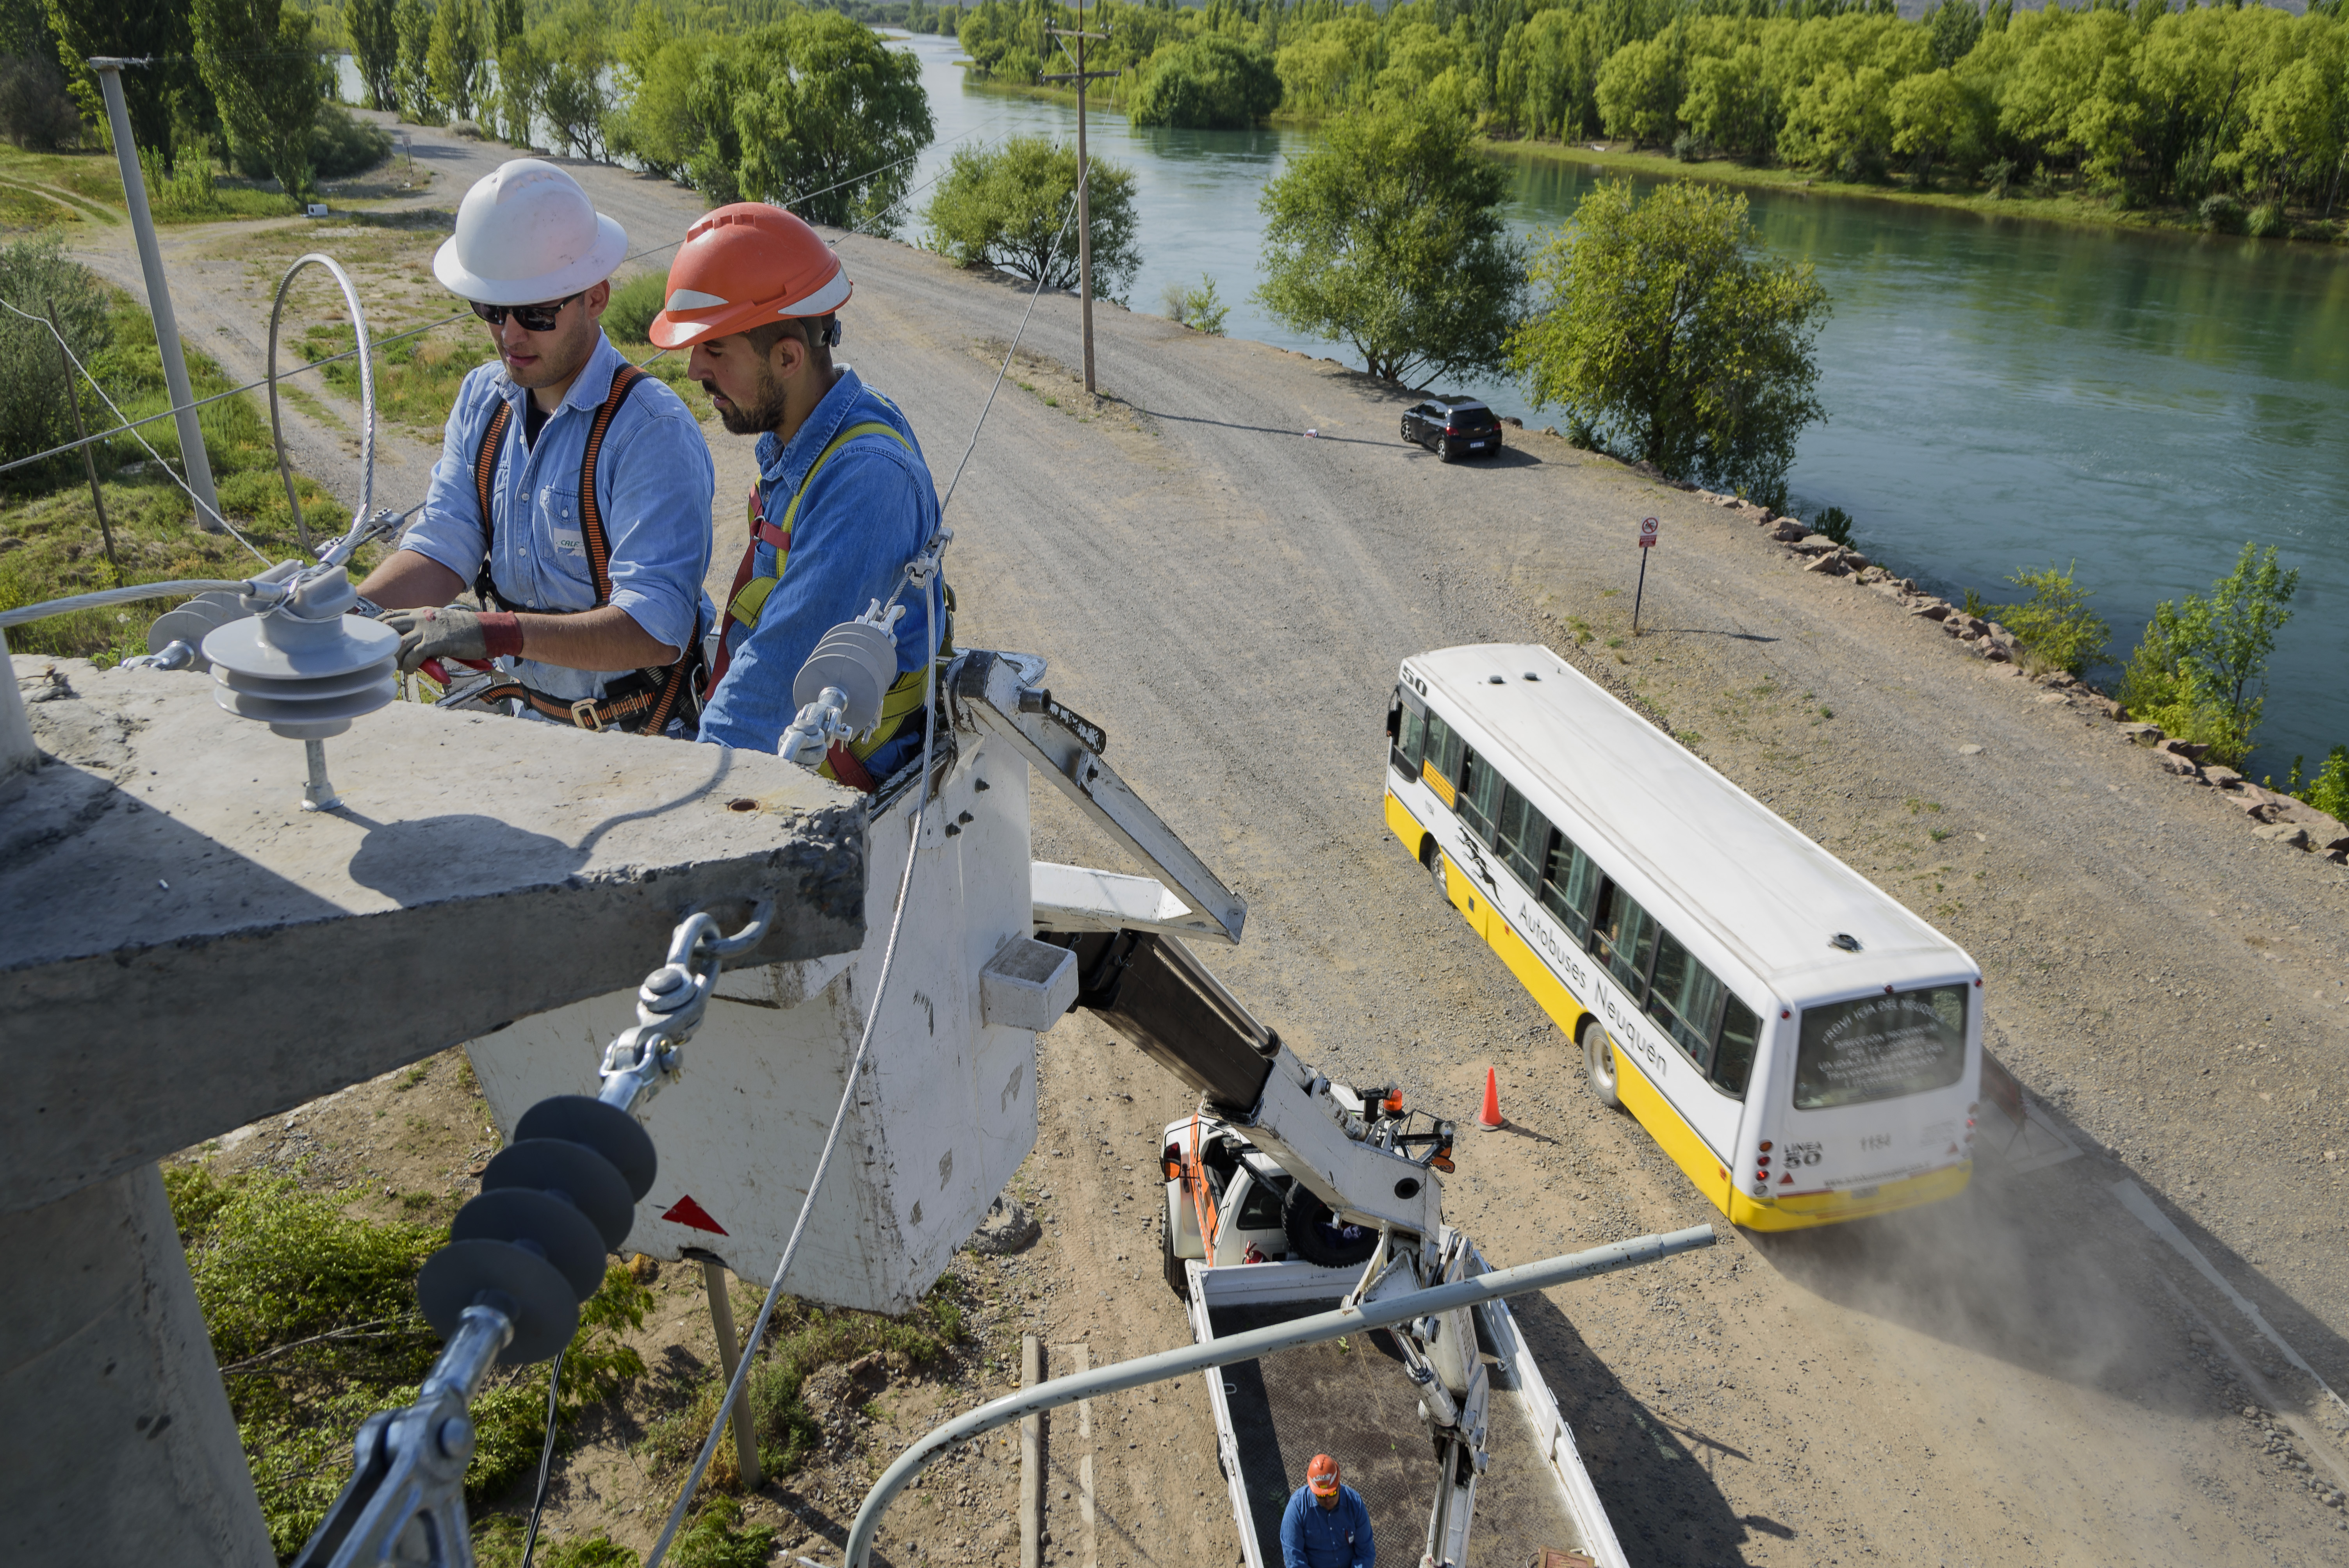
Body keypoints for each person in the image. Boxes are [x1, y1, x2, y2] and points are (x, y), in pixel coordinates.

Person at [356, 159, 715, 736]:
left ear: (595, 297)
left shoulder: (650, 432)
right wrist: (351, 616)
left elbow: (655, 629)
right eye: (492, 311)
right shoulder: (482, 402)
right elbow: (447, 544)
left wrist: (498, 632)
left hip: (641, 744)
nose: (509, 336)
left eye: (536, 314)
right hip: (530, 728)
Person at [649, 203, 949, 788]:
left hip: (842, 783)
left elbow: (768, 696)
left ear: (788, 356)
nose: (692, 370)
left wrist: (699, 801)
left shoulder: (865, 481)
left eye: (715, 349)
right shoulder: (812, 429)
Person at [1280, 1452, 1373, 1568]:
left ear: (1339, 1485)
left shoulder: (1355, 1504)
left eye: (1332, 1493)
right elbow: (1294, 1561)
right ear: (1313, 1490)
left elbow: (1366, 1553)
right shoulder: (1296, 1509)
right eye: (1321, 1496)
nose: (1328, 1500)